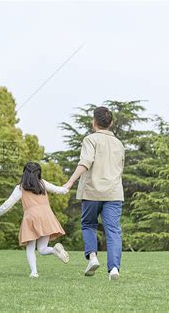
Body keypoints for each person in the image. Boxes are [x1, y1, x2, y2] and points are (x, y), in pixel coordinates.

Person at [63, 106, 125, 281]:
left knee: (88, 225)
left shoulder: (90, 140)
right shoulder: (119, 144)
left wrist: (70, 182)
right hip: (113, 193)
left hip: (92, 191)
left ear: (94, 122)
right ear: (111, 123)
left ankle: (92, 257)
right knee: (113, 231)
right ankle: (114, 269)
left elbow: (86, 162)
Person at [0, 162, 69, 278]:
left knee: (31, 247)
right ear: (39, 173)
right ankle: (55, 250)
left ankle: (34, 272)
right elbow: (59, 190)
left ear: (24, 173)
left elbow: (8, 204)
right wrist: (66, 187)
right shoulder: (43, 183)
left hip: (31, 217)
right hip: (47, 215)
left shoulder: (20, 187)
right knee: (42, 249)